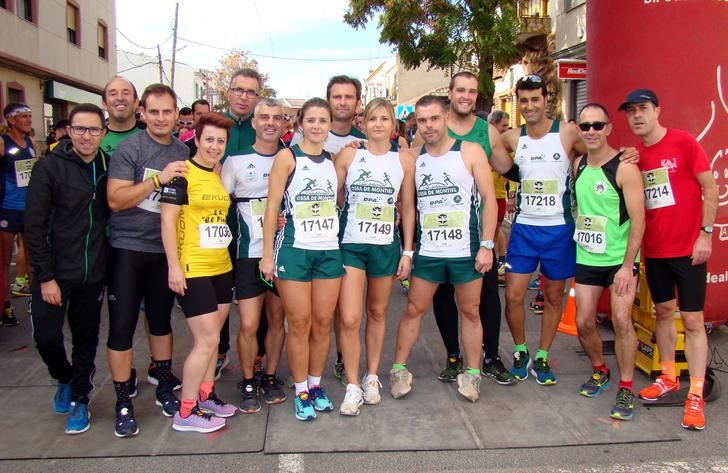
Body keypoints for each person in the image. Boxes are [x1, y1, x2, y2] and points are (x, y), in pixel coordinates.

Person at [495, 75, 639, 385]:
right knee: (514, 297)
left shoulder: (568, 133)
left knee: (553, 296)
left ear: (546, 100)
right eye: (525, 100)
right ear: (518, 103)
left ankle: (543, 356)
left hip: (560, 230)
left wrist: (630, 152)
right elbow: (486, 150)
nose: (530, 105)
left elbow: (602, 149)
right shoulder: (511, 137)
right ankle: (521, 350)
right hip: (523, 230)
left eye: (536, 99)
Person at [619, 89, 718, 431]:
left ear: (658, 110)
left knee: (692, 321)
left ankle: (695, 395)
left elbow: (711, 188)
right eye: (631, 111)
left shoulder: (684, 142)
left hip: (689, 250)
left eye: (643, 109)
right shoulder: (635, 156)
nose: (637, 116)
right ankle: (668, 377)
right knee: (662, 312)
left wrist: (706, 233)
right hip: (655, 251)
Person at [389, 95, 497, 403]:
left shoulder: (470, 151)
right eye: (422, 121)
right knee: (413, 309)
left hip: (466, 249)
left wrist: (487, 245)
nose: (428, 126)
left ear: (446, 117)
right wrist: (408, 252)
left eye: (434, 118)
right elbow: (406, 204)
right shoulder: (411, 156)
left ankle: (473, 373)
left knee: (470, 310)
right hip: (429, 250)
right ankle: (399, 369)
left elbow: (489, 199)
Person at [106, 84, 189, 438]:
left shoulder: (184, 149)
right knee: (122, 326)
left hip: (164, 251)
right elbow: (115, 200)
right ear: (143, 112)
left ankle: (164, 383)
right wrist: (158, 178)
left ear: (175, 113)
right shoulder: (129, 148)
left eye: (166, 111)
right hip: (128, 248)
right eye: (153, 112)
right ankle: (123, 399)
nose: (160, 118)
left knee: (161, 322)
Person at [424, 72, 515, 387]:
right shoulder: (432, 124)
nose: (466, 96)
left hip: (477, 234)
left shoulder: (486, 132)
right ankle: (453, 356)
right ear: (449, 93)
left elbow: (509, 167)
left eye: (472, 92)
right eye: (460, 90)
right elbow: (405, 163)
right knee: (443, 295)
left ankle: (490, 356)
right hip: (436, 234)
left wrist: (564, 159)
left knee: (487, 295)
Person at [25, 103, 109, 434]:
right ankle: (62, 375)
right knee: (46, 337)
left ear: (103, 133)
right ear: (68, 131)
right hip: (55, 271)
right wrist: (46, 276)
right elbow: (34, 225)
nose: (86, 136)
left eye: (93, 130)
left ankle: (80, 397)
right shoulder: (49, 167)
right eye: (80, 129)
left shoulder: (108, 167)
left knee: (86, 339)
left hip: (93, 272)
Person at [260, 98, 344, 421]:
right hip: (294, 249)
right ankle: (300, 390)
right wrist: (267, 254)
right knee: (299, 323)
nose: (317, 126)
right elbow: (272, 207)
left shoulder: (333, 161)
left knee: (323, 324)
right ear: (300, 123)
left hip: (328, 251)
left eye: (323, 120)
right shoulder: (287, 157)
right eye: (311, 120)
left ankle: (316, 383)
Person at [334, 98, 415, 415]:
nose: (378, 124)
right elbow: (333, 196)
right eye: (372, 118)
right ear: (363, 123)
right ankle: (352, 384)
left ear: (393, 125)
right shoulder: (350, 154)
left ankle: (371, 377)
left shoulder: (405, 160)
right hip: (351, 245)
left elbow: (408, 207)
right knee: (350, 317)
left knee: (378, 313)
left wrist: (408, 251)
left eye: (385, 118)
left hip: (385, 246)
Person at [160, 112, 238, 433]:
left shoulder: (218, 174)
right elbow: (166, 221)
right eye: (209, 139)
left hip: (222, 265)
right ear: (196, 138)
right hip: (193, 267)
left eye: (220, 141)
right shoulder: (181, 173)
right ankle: (186, 410)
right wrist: (174, 266)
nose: (214, 146)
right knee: (205, 341)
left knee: (216, 341)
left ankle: (206, 395)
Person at [572, 103, 644, 421]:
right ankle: (601, 370)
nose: (591, 131)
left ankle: (626, 386)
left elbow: (639, 221)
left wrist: (628, 265)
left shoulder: (625, 167)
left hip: (619, 261)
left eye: (597, 125)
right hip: (587, 257)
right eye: (585, 126)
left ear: (609, 129)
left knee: (621, 320)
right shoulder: (578, 166)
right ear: (579, 130)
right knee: (584, 323)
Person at [220, 98, 288, 413]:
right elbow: (220, 207)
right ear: (255, 123)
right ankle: (249, 379)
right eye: (264, 117)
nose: (270, 122)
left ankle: (270, 376)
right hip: (249, 254)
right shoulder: (235, 160)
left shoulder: (292, 158)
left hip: (285, 251)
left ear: (284, 124)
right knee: (248, 323)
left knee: (277, 320)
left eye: (277, 117)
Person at [215, 68, 265, 379]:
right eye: (239, 90)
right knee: (219, 294)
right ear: (228, 92)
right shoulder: (213, 126)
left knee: (256, 295)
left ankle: (258, 353)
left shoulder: (264, 129)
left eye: (251, 92)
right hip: (216, 224)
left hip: (255, 230)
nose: (244, 96)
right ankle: (219, 351)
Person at [0, 103, 37, 324]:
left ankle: (36, 301)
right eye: (24, 116)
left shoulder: (31, 143)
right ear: (11, 120)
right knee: (4, 261)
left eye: (30, 116)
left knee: (34, 258)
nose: (29, 120)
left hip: (29, 208)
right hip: (7, 208)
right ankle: (5, 305)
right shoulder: (3, 142)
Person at [101, 76, 142, 157]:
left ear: (136, 102)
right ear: (104, 104)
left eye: (126, 93)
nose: (120, 98)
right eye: (113, 94)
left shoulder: (151, 135)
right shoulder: (95, 139)